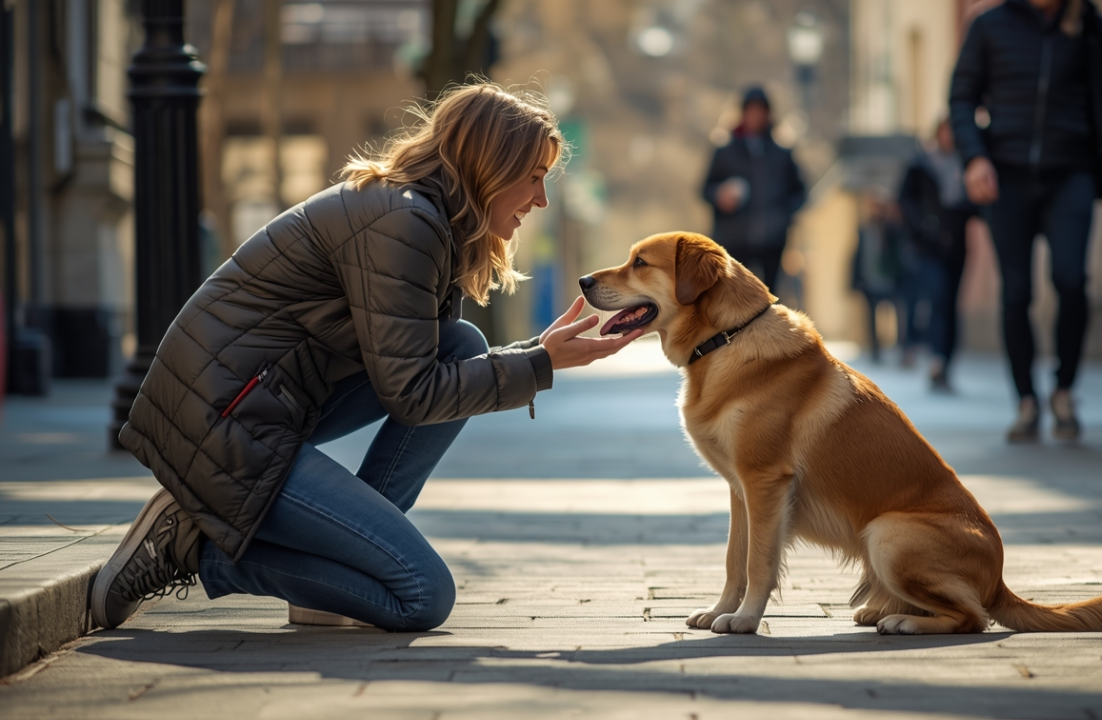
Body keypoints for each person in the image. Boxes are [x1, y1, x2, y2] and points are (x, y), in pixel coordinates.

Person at [91, 84, 643, 632]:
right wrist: (539, 365)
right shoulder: (404, 222)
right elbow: (412, 393)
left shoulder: (420, 215)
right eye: (533, 176)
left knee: (463, 344)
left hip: (260, 403)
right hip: (222, 421)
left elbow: (415, 367)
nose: (541, 198)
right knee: (422, 595)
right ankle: (190, 549)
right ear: (490, 167)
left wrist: (536, 355)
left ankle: (331, 578)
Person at [950, 0, 1102, 442]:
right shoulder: (989, 25)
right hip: (1006, 178)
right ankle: (1027, 401)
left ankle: (1065, 389)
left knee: (1072, 279)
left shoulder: (1089, 25)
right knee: (1017, 293)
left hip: (1072, 173)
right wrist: (975, 158)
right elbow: (962, 97)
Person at [899, 118, 980, 393]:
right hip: (928, 247)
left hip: (956, 246)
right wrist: (923, 226)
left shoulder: (967, 165)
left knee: (951, 304)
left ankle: (946, 362)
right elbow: (905, 201)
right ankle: (936, 359)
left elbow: (976, 204)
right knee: (938, 298)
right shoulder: (921, 165)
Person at [701, 86, 807, 294]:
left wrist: (783, 217)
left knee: (769, 298)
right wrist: (719, 196)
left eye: (760, 111)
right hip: (734, 239)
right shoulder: (725, 151)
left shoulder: (781, 154)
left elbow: (800, 192)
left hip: (772, 241)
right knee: (735, 297)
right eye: (751, 110)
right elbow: (705, 189)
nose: (755, 116)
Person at [851, 194, 908, 364]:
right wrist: (855, 280)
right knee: (871, 318)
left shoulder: (892, 229)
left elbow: (900, 253)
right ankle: (876, 350)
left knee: (898, 315)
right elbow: (857, 256)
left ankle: (902, 348)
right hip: (869, 281)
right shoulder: (864, 229)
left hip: (891, 280)